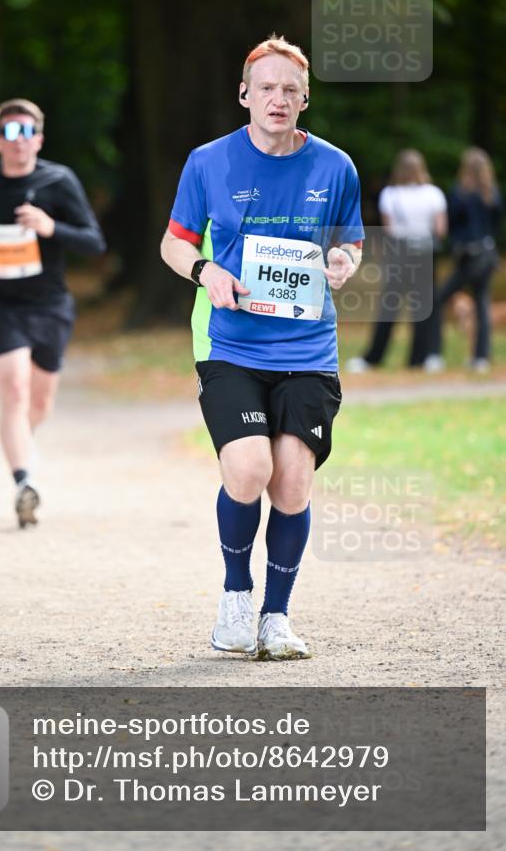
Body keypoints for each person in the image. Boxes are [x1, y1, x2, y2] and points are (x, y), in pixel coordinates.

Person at [160, 34, 364, 660]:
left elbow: (350, 244)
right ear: (245, 94)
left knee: (293, 485)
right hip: (232, 348)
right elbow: (174, 244)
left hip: (308, 351)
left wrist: (342, 261)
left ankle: (276, 618)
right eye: (267, 88)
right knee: (249, 469)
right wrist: (205, 272)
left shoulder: (335, 167)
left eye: (291, 91)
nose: (278, 99)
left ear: (306, 100)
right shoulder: (209, 162)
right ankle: (234, 598)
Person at [0, 98, 106, 528]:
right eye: (10, 133)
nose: (19, 142)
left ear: (38, 138)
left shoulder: (59, 181)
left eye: (27, 133)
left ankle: (20, 443)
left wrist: (50, 226)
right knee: (15, 392)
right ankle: (24, 482)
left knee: (39, 401)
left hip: (50, 305)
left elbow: (94, 242)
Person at [346, 149, 447, 373]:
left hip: (400, 254)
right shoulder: (434, 193)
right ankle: (426, 356)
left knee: (389, 305)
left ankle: (373, 357)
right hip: (425, 254)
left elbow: (389, 229)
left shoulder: (390, 194)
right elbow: (440, 229)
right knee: (426, 306)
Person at [427, 147, 502, 373]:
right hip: (487, 255)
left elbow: (452, 224)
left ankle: (435, 354)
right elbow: (496, 225)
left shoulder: (460, 193)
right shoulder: (492, 194)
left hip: (468, 256)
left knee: (438, 299)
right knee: (481, 303)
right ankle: (480, 358)